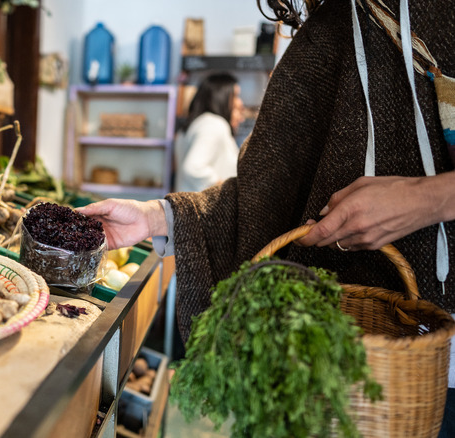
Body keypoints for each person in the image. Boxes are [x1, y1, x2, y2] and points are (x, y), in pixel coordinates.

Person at [78, 0, 455, 434]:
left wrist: (427, 199)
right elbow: (263, 193)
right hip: (316, 367)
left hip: (432, 361)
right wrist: (155, 217)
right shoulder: (328, 31)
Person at [174, 73, 245, 192]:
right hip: (204, 208)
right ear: (221, 95)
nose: (240, 102)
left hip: (185, 205)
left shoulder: (191, 126)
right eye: (236, 95)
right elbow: (194, 168)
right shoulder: (214, 124)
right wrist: (229, 190)